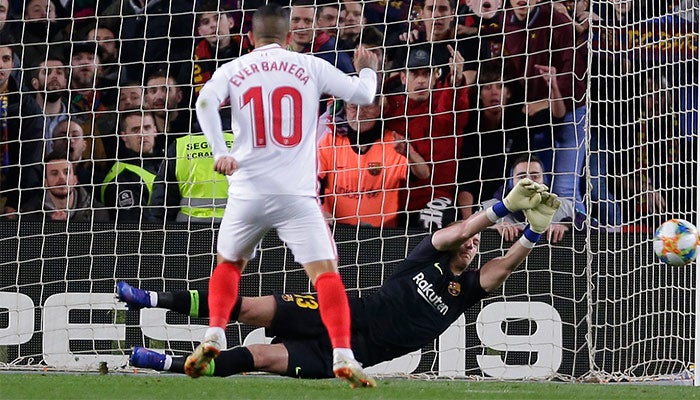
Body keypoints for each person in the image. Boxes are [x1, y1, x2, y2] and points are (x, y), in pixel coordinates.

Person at [117, 178, 560, 380]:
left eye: (478, 247)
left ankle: (167, 364)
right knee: (249, 307)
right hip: (340, 316)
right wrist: (501, 209)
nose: (471, 246)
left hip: (347, 357)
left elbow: (503, 268)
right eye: (468, 243)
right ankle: (152, 298)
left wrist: (534, 231)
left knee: (254, 357)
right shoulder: (427, 257)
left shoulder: (464, 292)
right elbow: (462, 229)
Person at [190, 3, 379, 388]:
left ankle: (214, 334)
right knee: (325, 275)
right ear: (290, 36)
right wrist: (368, 67)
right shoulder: (310, 65)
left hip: (248, 191)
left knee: (228, 264)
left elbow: (205, 102)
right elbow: (363, 96)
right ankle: (343, 352)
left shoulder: (233, 68)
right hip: (296, 194)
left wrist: (219, 152)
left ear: (249, 38)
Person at [383, 43, 469, 230]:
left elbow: (453, 103)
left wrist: (456, 78)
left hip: (436, 197)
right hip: (396, 200)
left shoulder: (446, 101)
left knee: (432, 228)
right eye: (415, 74)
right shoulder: (390, 109)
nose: (421, 80)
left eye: (427, 73)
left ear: (435, 77)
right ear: (404, 78)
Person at [318, 96, 429, 228]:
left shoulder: (393, 143)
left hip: (381, 234)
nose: (359, 113)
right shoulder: (330, 141)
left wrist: (409, 154)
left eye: (366, 107)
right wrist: (320, 212)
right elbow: (312, 182)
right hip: (336, 230)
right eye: (353, 107)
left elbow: (424, 174)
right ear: (345, 110)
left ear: (378, 109)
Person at [482, 155, 573, 243]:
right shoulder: (488, 208)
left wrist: (568, 225)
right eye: (521, 177)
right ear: (511, 182)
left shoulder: (564, 207)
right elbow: (469, 231)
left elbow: (584, 223)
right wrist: (489, 229)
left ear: (544, 180)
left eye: (535, 176)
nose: (529, 181)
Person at [148, 132, 234, 224]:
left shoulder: (180, 146)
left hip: (189, 228)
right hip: (235, 225)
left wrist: (159, 231)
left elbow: (162, 200)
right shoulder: (239, 142)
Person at [100, 111, 162, 222]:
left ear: (155, 130)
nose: (142, 134)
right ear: (124, 136)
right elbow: (134, 229)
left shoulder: (161, 163)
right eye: (135, 130)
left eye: (147, 128)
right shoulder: (123, 179)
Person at [20, 151, 110, 222]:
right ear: (45, 183)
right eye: (54, 173)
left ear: (75, 179)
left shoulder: (97, 211)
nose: (62, 178)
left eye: (67, 172)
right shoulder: (30, 213)